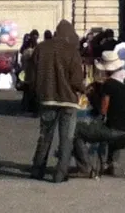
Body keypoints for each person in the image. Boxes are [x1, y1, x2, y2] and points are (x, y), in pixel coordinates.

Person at [30, 20, 86, 183]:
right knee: (66, 139)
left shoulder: (41, 48)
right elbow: (76, 80)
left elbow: (31, 76)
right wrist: (83, 89)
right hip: (68, 101)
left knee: (45, 136)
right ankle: (60, 173)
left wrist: (37, 92)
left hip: (47, 98)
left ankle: (37, 169)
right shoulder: (72, 51)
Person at [96, 50, 125, 174]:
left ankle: (109, 162)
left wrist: (101, 115)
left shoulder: (109, 84)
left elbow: (105, 105)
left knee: (102, 131)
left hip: (114, 121)